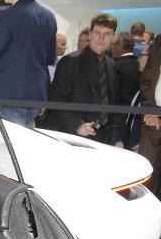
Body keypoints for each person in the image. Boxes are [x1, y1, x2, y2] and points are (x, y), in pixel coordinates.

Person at [47, 13, 121, 146]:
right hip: (73, 137)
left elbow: (115, 104)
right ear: (91, 34)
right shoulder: (70, 61)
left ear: (113, 37)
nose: (101, 39)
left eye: (107, 34)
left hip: (104, 138)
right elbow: (56, 98)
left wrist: (116, 137)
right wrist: (77, 125)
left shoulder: (112, 66)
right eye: (97, 33)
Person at [139, 34, 161, 196]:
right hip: (151, 125)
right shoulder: (159, 41)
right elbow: (146, 81)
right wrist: (151, 111)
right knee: (143, 187)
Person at [112, 32, 140, 106]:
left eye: (113, 44)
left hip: (116, 109)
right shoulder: (140, 64)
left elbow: (111, 91)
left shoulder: (115, 65)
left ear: (119, 45)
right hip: (135, 110)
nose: (112, 47)